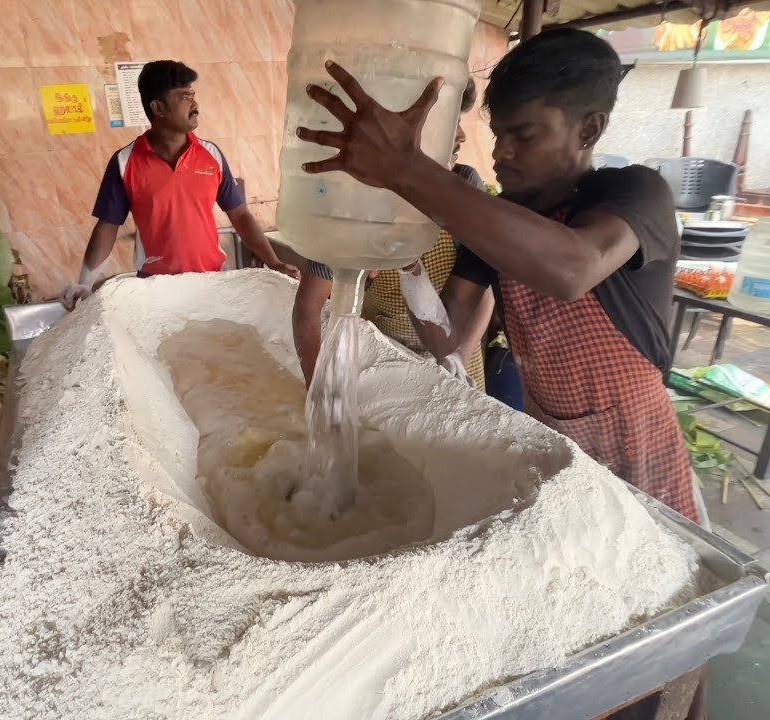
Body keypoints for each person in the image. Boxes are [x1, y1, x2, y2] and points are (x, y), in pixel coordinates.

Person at [293, 28, 699, 525]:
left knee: (654, 548)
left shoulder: (635, 194)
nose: (502, 152)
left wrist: (405, 167)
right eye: (500, 134)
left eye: (523, 136)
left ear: (588, 131)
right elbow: (450, 333)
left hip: (635, 436)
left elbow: (571, 268)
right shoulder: (504, 217)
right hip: (549, 423)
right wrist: (408, 263)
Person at [292, 78, 495, 388]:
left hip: (457, 359)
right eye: (448, 121)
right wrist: (319, 387)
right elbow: (309, 307)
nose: (461, 134)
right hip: (388, 363)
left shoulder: (463, 186)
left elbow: (483, 292)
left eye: (460, 119)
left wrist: (457, 360)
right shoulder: (351, 205)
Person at [64, 60, 298, 308]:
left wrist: (274, 262)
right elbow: (107, 227)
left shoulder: (211, 154)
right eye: (184, 96)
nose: (195, 104)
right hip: (155, 289)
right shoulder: (125, 162)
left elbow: (240, 215)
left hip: (213, 282)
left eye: (193, 94)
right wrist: (85, 283)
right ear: (158, 108)